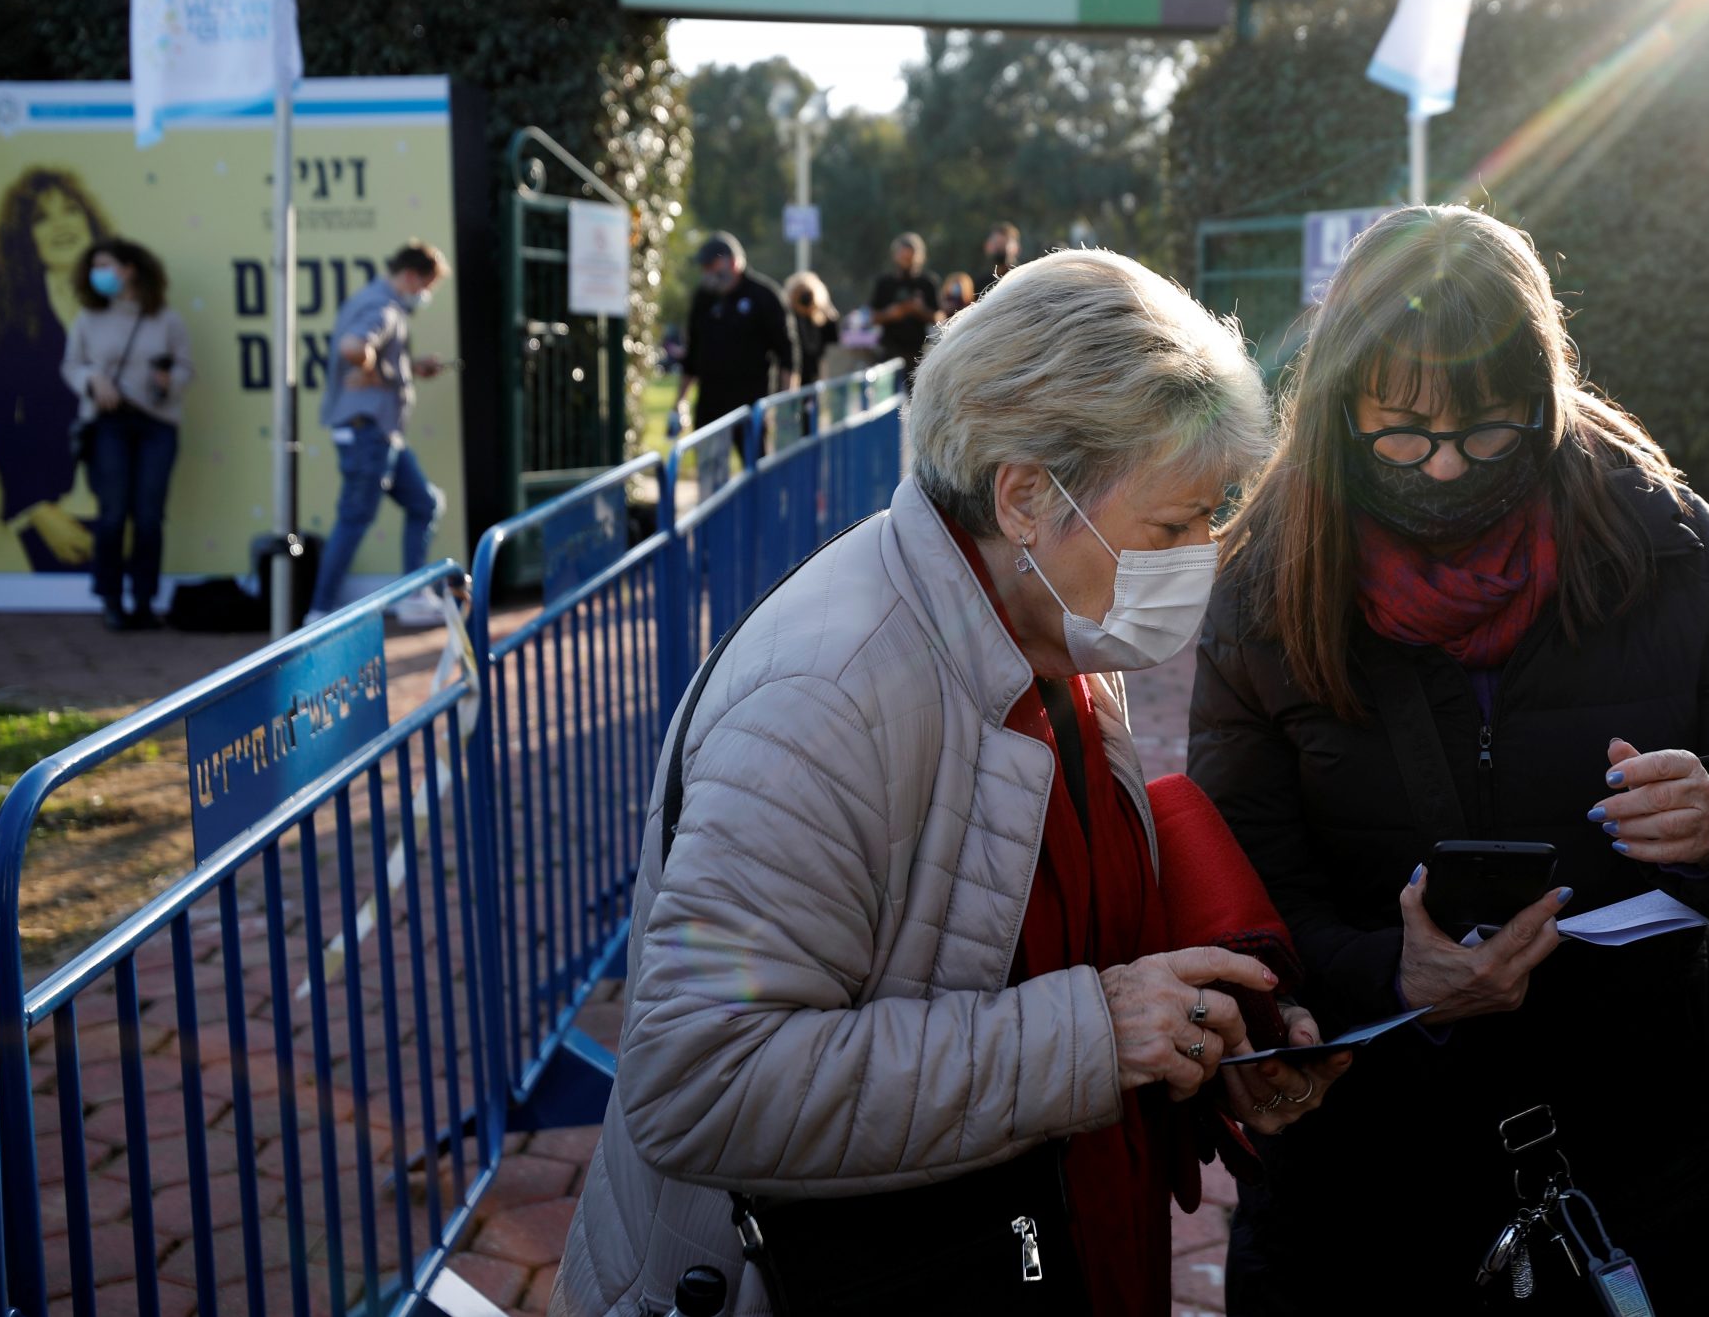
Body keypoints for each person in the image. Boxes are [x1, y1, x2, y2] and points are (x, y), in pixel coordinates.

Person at [552, 250, 1352, 1317]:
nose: (1202, 553)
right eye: (1173, 524)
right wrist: (1095, 1033)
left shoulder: (1050, 627)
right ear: (1024, 494)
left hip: (1022, 1237)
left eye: (1212, 515)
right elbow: (703, 1080)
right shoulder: (826, 698)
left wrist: (1202, 1039)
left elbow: (1047, 924)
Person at [1192, 205, 1709, 1315]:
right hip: (1369, 1202)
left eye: (1489, 430)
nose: (1448, 466)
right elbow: (1246, 899)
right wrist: (1388, 976)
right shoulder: (1267, 582)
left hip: (1642, 1175)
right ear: (1335, 410)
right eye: (1403, 432)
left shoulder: (1662, 538)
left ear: (1543, 399)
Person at [307, 240, 453, 628]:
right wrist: (368, 362)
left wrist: (405, 367)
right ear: (409, 276)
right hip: (368, 434)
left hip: (381, 435)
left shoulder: (374, 300)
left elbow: (369, 352)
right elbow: (355, 346)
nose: (425, 296)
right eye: (426, 286)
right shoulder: (383, 307)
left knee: (424, 504)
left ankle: (413, 596)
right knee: (354, 519)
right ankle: (319, 612)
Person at [0, 166, 108, 573]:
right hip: (56, 514)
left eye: (70, 210)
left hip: (124, 502)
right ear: (25, 240)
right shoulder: (12, 324)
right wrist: (37, 510)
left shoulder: (130, 308)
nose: (60, 225)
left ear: (89, 222)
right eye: (41, 218)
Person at [61, 239, 193, 630]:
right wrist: (92, 380)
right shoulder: (88, 317)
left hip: (156, 423)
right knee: (113, 514)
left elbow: (187, 369)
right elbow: (71, 366)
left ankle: (144, 600)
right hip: (108, 423)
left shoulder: (166, 319)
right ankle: (111, 599)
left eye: (106, 265)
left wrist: (168, 381)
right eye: (94, 266)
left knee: (149, 517)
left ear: (130, 268)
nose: (98, 273)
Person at [677, 231, 795, 460]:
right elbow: (692, 355)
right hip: (710, 405)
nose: (707, 272)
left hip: (750, 406)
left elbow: (787, 352)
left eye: (711, 265)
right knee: (711, 474)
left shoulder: (764, 296)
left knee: (757, 472)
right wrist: (679, 402)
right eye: (704, 267)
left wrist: (786, 402)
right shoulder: (704, 299)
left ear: (733, 262)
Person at [868, 230, 942, 380]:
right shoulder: (884, 283)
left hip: (919, 354)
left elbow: (939, 317)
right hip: (890, 352)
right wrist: (891, 314)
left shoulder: (927, 282)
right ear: (895, 256)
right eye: (903, 257)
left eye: (910, 258)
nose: (906, 262)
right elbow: (872, 317)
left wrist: (920, 310)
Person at [784, 270, 840, 386]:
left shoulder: (820, 317)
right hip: (796, 372)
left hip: (815, 372)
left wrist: (824, 306)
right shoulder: (790, 317)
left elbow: (834, 335)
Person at [976, 220, 1022, 297]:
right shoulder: (981, 283)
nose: (1000, 248)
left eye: (1004, 244)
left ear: (1017, 248)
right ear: (987, 246)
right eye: (996, 243)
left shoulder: (1022, 277)